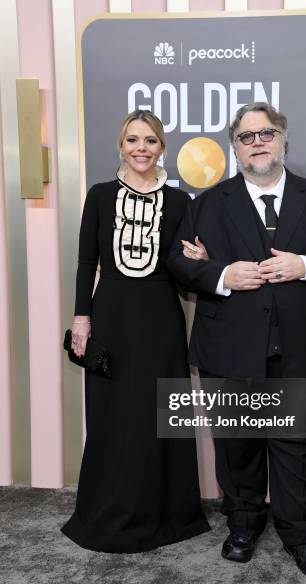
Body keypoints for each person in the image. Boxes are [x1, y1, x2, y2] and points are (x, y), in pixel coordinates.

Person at [167, 102, 306, 576]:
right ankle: (243, 526)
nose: (258, 141)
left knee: (302, 449)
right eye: (247, 136)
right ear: (234, 148)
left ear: (283, 140)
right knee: (237, 447)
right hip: (229, 347)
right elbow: (178, 262)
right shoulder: (208, 204)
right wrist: (222, 273)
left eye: (267, 133)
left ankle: (302, 536)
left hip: (304, 350)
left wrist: (305, 265)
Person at [61, 110, 210, 553]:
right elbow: (87, 263)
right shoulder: (101, 196)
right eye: (132, 140)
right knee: (113, 414)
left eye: (149, 140)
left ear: (162, 146)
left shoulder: (181, 202)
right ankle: (109, 508)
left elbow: (182, 273)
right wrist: (80, 319)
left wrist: (199, 263)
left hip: (162, 319)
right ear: (120, 145)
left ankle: (167, 513)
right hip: (110, 317)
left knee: (160, 413)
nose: (140, 148)